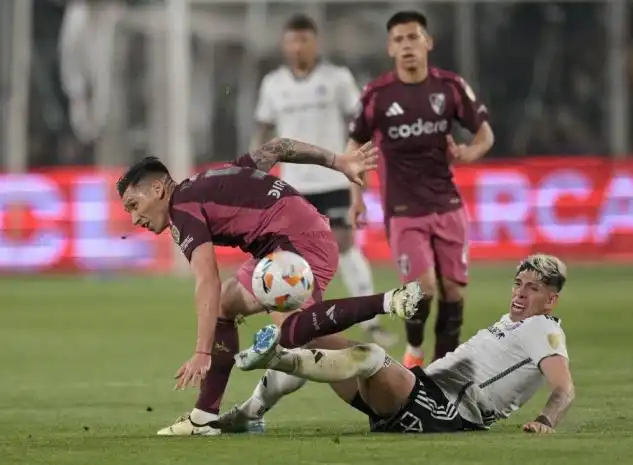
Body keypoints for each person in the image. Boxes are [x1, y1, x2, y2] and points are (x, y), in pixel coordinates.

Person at [116, 138, 423, 436]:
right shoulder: (208, 182)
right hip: (284, 241)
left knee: (296, 338)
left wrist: (201, 351)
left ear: (158, 189)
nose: (133, 217)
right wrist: (337, 161)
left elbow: (206, 278)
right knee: (232, 305)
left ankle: (389, 324)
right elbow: (277, 147)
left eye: (134, 204)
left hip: (296, 243)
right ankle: (205, 417)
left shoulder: (182, 211)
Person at [231, 254, 575, 434]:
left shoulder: (542, 328)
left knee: (370, 355)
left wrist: (546, 420)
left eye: (533, 288)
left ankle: (274, 358)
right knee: (313, 335)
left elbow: (564, 389)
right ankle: (251, 413)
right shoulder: (511, 322)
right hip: (418, 392)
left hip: (446, 413)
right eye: (518, 284)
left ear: (551, 301)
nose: (520, 293)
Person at [346, 10, 495, 368]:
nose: (407, 45)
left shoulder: (450, 88)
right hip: (403, 210)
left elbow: (485, 134)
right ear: (390, 49)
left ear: (427, 42)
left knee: (454, 290)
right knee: (423, 288)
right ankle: (414, 351)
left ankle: (443, 366)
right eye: (399, 40)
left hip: (447, 204)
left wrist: (469, 152)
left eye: (413, 37)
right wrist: (357, 198)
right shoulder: (378, 95)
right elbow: (355, 148)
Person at [251, 14, 397, 347]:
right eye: (292, 40)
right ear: (284, 45)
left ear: (315, 42)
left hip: (333, 177)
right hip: (292, 184)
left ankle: (372, 323)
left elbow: (360, 125)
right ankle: (298, 322)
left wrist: (361, 165)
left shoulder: (337, 79)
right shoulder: (273, 84)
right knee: (291, 254)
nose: (297, 46)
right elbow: (263, 128)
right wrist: (254, 170)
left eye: (304, 39)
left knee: (345, 244)